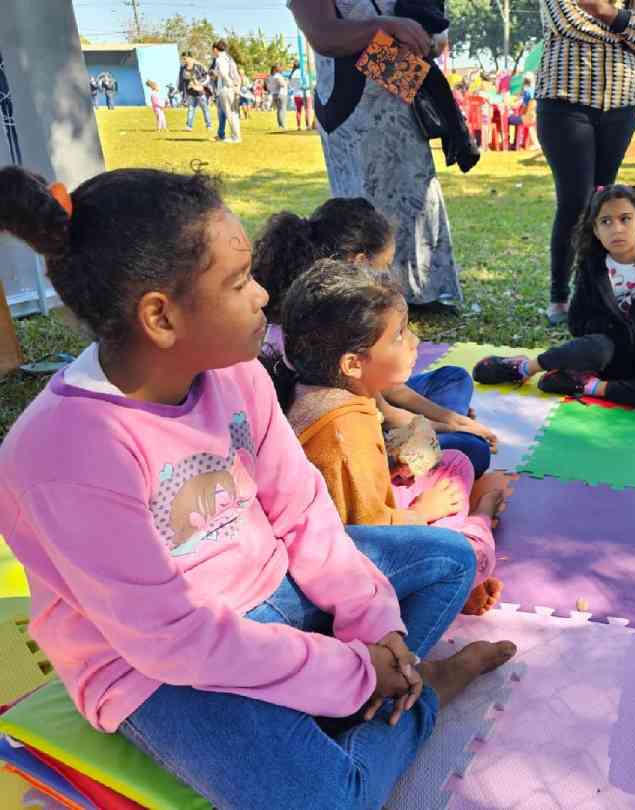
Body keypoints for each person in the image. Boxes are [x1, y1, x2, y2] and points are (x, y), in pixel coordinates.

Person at [0, 165, 516, 810]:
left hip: (274, 589)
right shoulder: (66, 452)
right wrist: (354, 675)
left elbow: (304, 513)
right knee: (329, 799)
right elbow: (177, 641)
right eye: (240, 282)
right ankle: (420, 692)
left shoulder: (235, 373)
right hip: (156, 669)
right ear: (161, 316)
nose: (264, 296)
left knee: (450, 558)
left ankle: (387, 681)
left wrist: (375, 625)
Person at [265, 259, 508, 615]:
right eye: (399, 335)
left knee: (454, 462)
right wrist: (423, 513)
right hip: (356, 569)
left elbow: (361, 485)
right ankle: (479, 526)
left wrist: (395, 464)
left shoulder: (332, 388)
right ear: (352, 363)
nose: (414, 341)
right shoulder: (344, 429)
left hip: (368, 522)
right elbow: (370, 537)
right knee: (470, 557)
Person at [253, 197, 497, 476]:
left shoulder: (329, 302)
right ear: (360, 262)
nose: (388, 273)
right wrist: (451, 424)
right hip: (349, 432)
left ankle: (441, 427)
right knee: (471, 449)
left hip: (366, 405)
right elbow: (385, 409)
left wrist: (447, 418)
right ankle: (422, 447)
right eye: (386, 263)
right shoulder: (333, 317)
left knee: (453, 377)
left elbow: (387, 391)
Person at [289, 0, 465, 309]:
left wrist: (426, 37)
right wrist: (387, 26)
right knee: (366, 201)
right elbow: (323, 35)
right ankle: (368, 294)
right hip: (349, 97)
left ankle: (423, 291)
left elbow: (433, 36)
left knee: (417, 190)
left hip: (396, 81)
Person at [473, 184, 635, 410]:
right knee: (596, 347)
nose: (617, 229)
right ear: (596, 230)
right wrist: (609, 335)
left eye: (625, 219)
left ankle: (587, 385)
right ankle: (524, 367)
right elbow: (577, 320)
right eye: (606, 221)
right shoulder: (591, 265)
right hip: (601, 352)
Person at [535, 0, 635, 325]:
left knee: (602, 203)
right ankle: (559, 295)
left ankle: (592, 292)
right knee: (576, 201)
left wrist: (604, 11)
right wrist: (627, 32)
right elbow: (567, 22)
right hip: (566, 101)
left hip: (620, 106)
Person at [210, 40, 242, 144]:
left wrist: (230, 85)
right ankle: (231, 136)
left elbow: (224, 74)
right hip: (228, 88)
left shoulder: (220, 59)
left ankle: (235, 137)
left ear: (215, 49)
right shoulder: (229, 58)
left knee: (231, 114)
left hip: (226, 89)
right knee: (231, 113)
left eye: (212, 51)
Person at [178, 51, 212, 131]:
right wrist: (181, 90)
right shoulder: (182, 68)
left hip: (200, 93)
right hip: (190, 93)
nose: (184, 60)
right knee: (190, 109)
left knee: (205, 109)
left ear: (190, 58)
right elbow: (181, 80)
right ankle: (189, 126)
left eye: (185, 58)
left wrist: (200, 84)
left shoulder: (198, 66)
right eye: (183, 59)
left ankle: (209, 125)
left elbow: (206, 77)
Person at [289, 60, 314, 130]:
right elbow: (309, 84)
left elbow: (291, 86)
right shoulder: (304, 73)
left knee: (298, 110)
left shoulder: (292, 74)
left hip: (296, 95)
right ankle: (308, 126)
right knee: (308, 110)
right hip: (305, 94)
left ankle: (298, 126)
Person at [267, 64, 289, 130]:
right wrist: (286, 82)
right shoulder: (278, 76)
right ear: (276, 69)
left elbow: (269, 86)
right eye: (280, 68)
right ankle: (282, 125)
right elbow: (282, 84)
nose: (281, 69)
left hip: (274, 94)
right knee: (282, 110)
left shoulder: (271, 76)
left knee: (279, 110)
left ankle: (280, 125)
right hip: (281, 94)